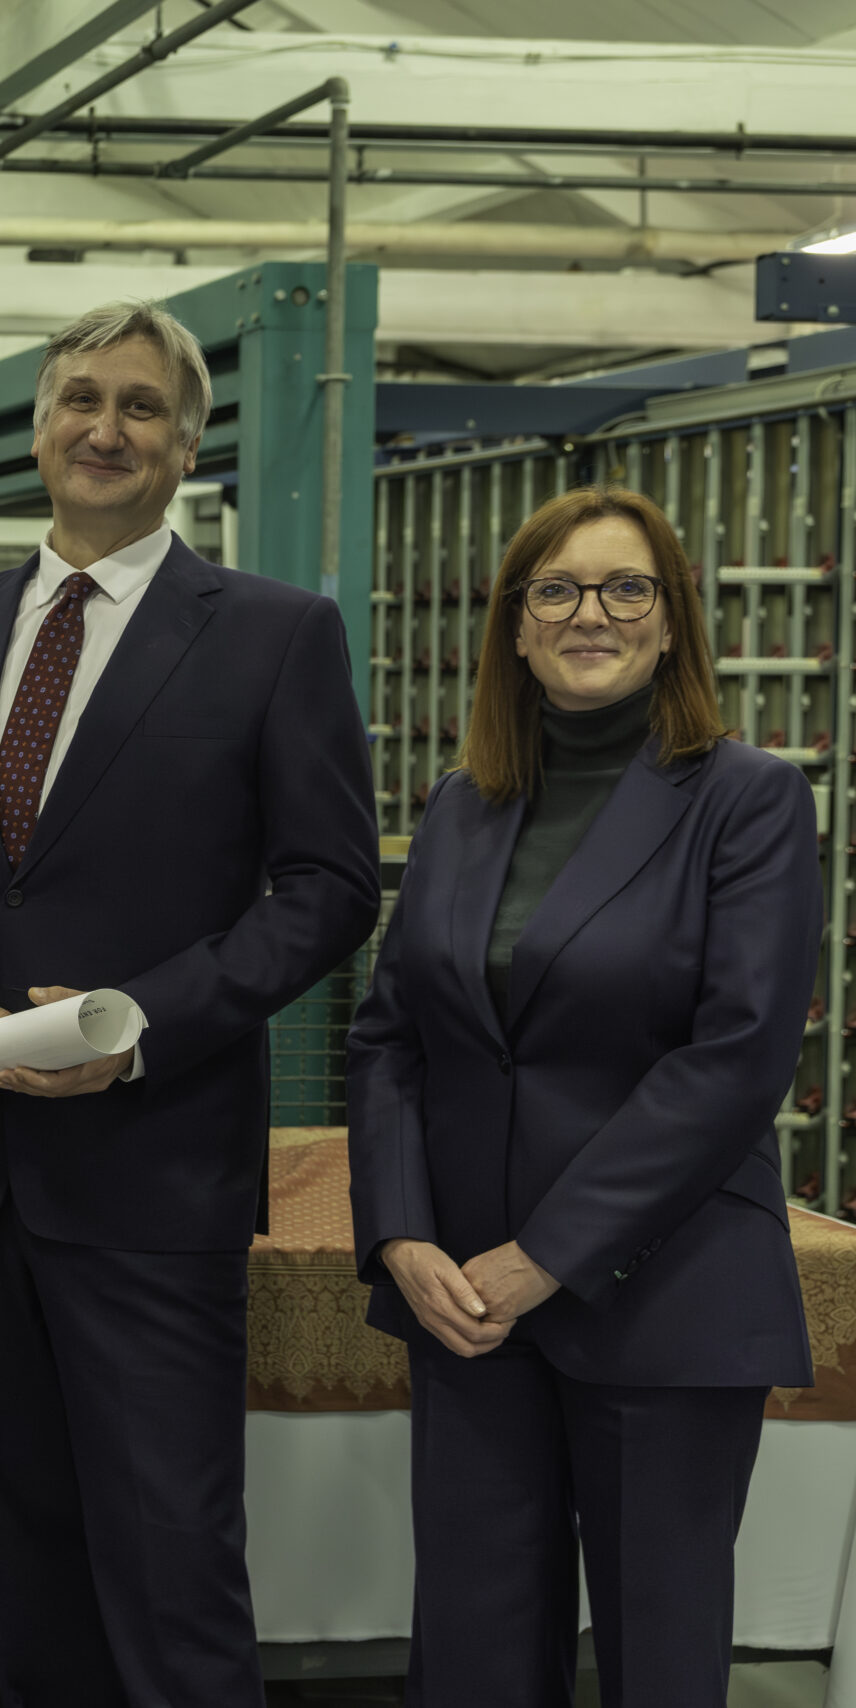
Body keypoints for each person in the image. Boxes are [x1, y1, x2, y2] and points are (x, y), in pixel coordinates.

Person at [0, 299, 380, 1704]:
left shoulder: (273, 634)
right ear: (37, 429)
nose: (106, 427)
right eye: (81, 397)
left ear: (188, 442)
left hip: (152, 1175)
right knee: (30, 1552)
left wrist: (137, 1025)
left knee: (171, 1560)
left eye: (142, 406)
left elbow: (326, 890)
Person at [346, 485, 817, 1706]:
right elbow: (392, 1037)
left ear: (670, 624)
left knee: (658, 1660)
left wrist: (543, 1255)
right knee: (472, 1651)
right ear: (513, 625)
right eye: (554, 588)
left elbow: (735, 1057)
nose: (588, 612)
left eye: (624, 588)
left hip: (659, 1297)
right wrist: (401, 1232)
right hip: (464, 1308)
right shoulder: (462, 802)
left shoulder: (747, 800)